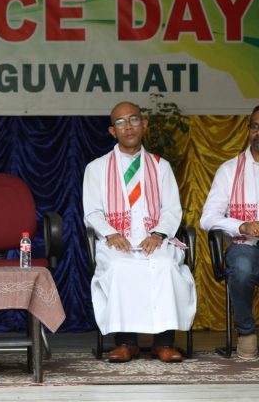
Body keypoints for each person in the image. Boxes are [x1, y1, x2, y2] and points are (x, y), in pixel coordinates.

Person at [83, 101, 196, 363]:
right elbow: (91, 212)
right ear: (113, 131)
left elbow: (171, 210)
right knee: (121, 267)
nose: (128, 127)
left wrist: (158, 234)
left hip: (152, 239)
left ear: (143, 124)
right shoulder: (97, 168)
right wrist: (111, 234)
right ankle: (126, 343)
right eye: (121, 122)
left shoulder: (161, 166)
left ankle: (164, 343)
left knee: (165, 264)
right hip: (116, 241)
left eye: (133, 120)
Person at [201, 105, 259, 359]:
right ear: (248, 131)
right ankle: (247, 332)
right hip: (244, 244)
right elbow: (207, 218)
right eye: (255, 126)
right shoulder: (228, 170)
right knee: (243, 268)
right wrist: (240, 226)